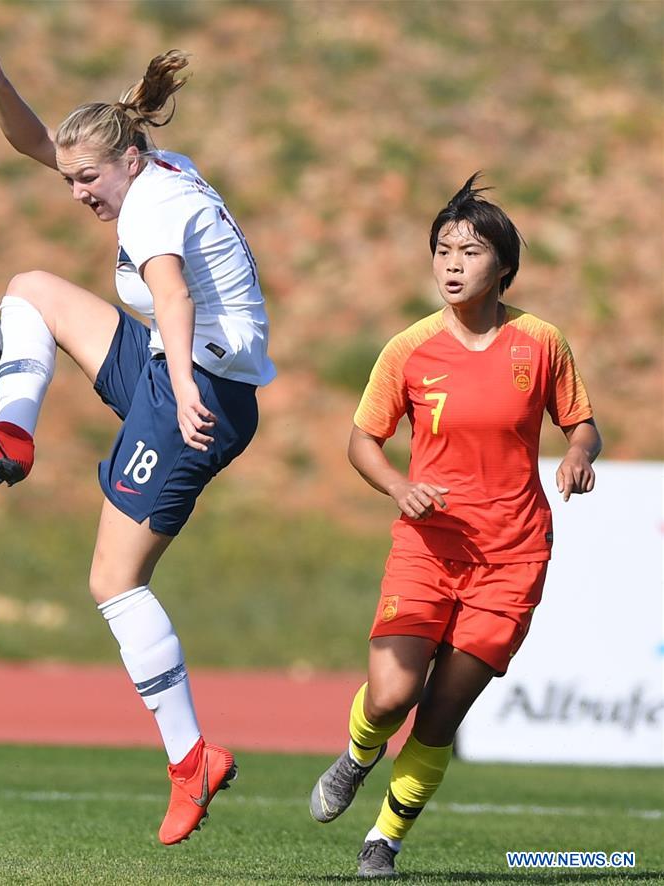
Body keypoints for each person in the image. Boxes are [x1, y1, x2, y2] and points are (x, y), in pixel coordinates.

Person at [0, 43, 276, 845]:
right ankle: (11, 434)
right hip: (169, 369)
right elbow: (36, 144)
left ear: (128, 161)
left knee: (114, 581)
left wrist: (182, 394)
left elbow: (174, 297)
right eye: (71, 181)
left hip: (200, 393)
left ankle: (192, 761)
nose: (76, 193)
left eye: (87, 181)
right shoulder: (153, 168)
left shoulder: (148, 205)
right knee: (29, 290)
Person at [309, 174, 601, 878]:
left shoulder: (539, 342)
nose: (450, 264)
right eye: (441, 249)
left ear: (501, 265)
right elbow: (360, 442)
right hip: (428, 546)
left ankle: (383, 840)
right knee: (390, 694)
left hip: (512, 554)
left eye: (468, 252)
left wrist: (577, 457)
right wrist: (398, 487)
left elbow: (581, 424)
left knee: (439, 714)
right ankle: (356, 755)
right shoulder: (408, 349)